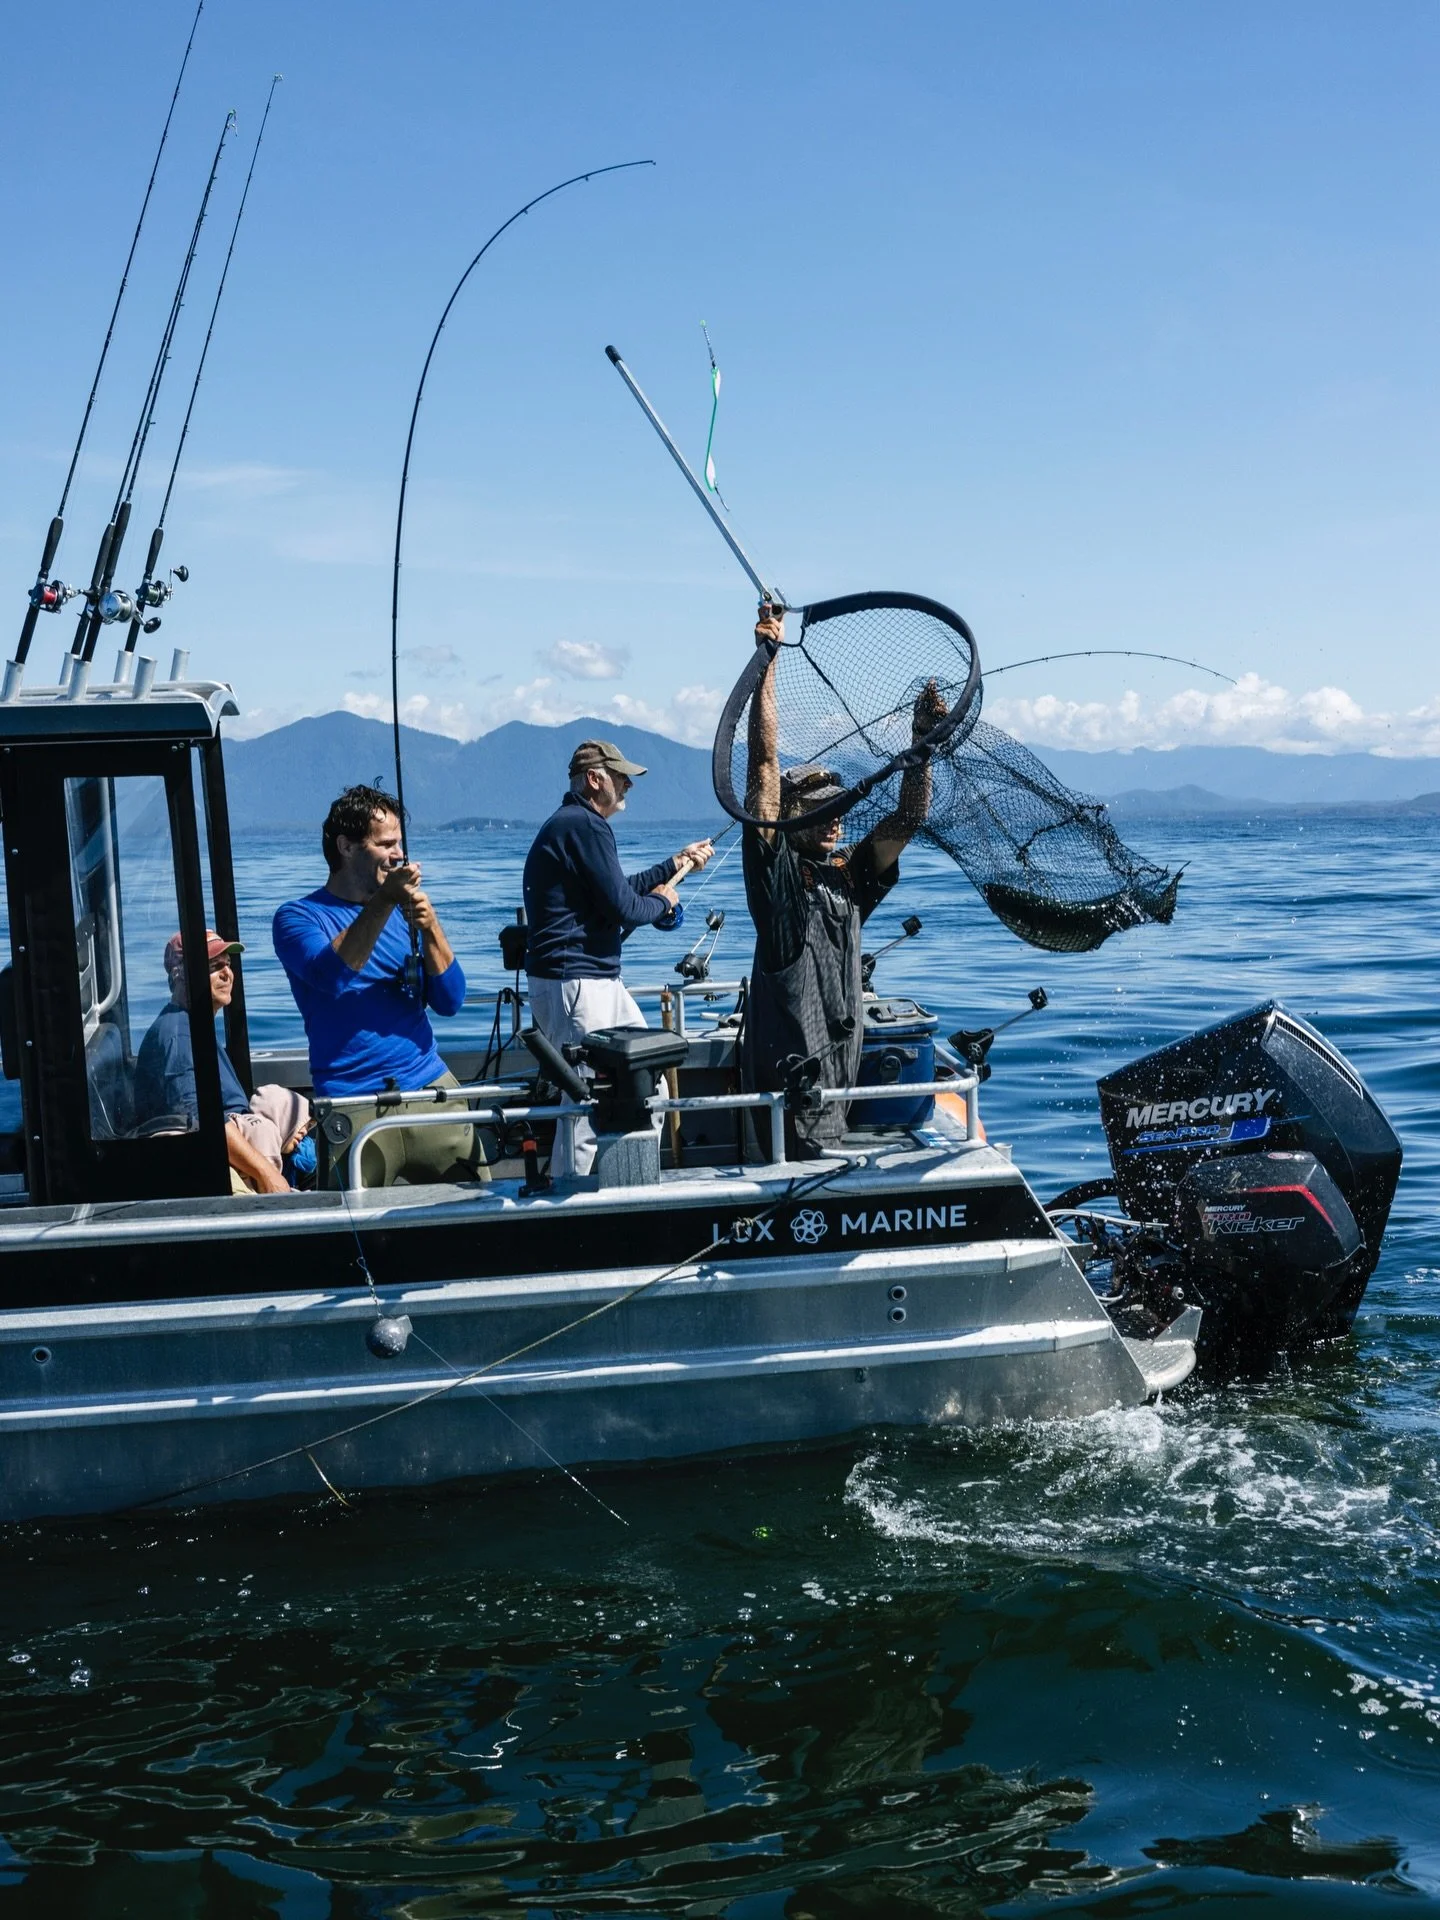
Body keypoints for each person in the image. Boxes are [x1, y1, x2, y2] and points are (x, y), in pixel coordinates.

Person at [740, 603, 945, 1158]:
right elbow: (762, 769)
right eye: (817, 809)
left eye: (838, 808)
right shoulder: (779, 885)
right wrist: (768, 660)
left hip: (842, 1089)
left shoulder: (848, 876)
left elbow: (907, 820)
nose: (834, 817)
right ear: (788, 818)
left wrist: (922, 742)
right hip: (792, 1105)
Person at [272, 784, 480, 1188]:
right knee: (349, 1237)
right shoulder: (297, 917)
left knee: (479, 1213)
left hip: (429, 1088)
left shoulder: (406, 912)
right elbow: (330, 975)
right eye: (386, 843)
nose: (398, 854)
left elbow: (452, 1000)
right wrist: (384, 901)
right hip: (353, 1102)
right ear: (346, 846)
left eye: (399, 843)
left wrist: (431, 926)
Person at [523, 739, 713, 1175]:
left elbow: (619, 890)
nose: (628, 784)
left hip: (587, 981)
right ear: (595, 779)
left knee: (646, 1080)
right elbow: (626, 908)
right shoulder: (585, 826)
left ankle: (623, 1177)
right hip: (579, 983)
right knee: (594, 1094)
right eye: (620, 776)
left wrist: (674, 864)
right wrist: (664, 904)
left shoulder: (573, 824)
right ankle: (576, 1196)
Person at [135, 930, 311, 1195]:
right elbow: (202, 1123)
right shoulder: (179, 1037)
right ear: (180, 975)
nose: (227, 974)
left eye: (228, 965)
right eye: (214, 967)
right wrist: (266, 1173)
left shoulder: (194, 1024)